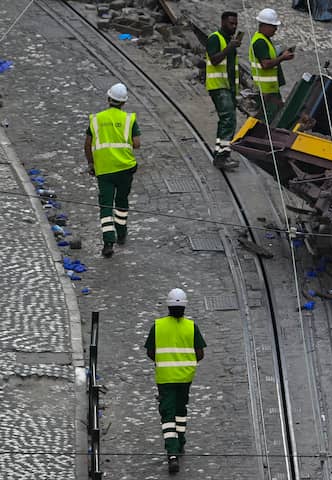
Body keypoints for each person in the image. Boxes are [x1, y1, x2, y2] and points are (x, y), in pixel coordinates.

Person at [144, 288, 206, 474]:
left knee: (168, 414)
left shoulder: (158, 326)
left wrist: (162, 361)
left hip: (165, 378)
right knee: (180, 410)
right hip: (185, 377)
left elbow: (150, 351)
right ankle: (180, 442)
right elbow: (200, 353)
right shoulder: (191, 326)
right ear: (185, 307)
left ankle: (172, 453)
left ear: (168, 306)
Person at [84, 83, 140, 258]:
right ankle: (121, 233)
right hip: (125, 168)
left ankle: (108, 241)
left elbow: (87, 144)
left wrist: (92, 164)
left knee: (106, 205)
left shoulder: (96, 119)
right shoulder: (129, 119)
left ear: (108, 99)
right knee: (122, 201)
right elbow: (137, 144)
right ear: (124, 103)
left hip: (104, 170)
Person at [206, 11, 242, 170]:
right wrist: (229, 48)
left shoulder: (230, 40)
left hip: (228, 87)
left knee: (225, 121)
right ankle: (222, 157)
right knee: (229, 120)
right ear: (222, 22)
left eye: (235, 24)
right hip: (218, 86)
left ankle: (219, 151)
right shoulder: (215, 38)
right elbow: (214, 60)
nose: (234, 26)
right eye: (231, 23)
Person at [249, 8, 294, 124]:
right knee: (269, 119)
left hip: (270, 88)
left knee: (277, 112)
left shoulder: (264, 39)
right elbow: (265, 64)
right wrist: (282, 58)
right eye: (274, 26)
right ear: (265, 25)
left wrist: (280, 55)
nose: (276, 29)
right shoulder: (260, 42)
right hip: (266, 90)